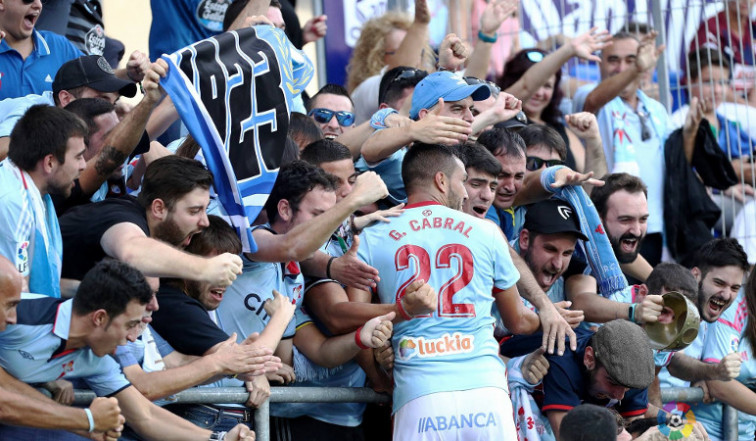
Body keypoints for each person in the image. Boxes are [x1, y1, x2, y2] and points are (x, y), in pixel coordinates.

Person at [355, 142, 541, 440]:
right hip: (486, 390)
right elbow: (518, 321)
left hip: (420, 391)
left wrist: (380, 379)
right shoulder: (486, 232)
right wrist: (549, 317)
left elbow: (356, 322)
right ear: (441, 181)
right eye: (462, 181)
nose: (466, 193)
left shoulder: (371, 237)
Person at [0, 259, 255, 440]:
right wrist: (86, 421)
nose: (130, 340)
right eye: (130, 325)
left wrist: (216, 438)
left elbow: (145, 416)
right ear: (99, 318)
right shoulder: (17, 315)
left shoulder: (97, 359)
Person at [59, 155, 243, 294]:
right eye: (194, 211)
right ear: (158, 208)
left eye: (205, 209)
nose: (205, 222)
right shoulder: (122, 216)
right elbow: (132, 250)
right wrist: (205, 268)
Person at [0, 255, 126, 437]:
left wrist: (86, 426)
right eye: (9, 305)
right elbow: (4, 406)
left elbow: (6, 385)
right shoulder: (27, 320)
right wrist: (88, 420)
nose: (13, 317)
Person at [572, 31, 668, 267]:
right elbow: (594, 101)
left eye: (630, 60)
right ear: (600, 62)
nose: (621, 67)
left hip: (652, 227)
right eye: (613, 60)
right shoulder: (589, 95)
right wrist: (635, 70)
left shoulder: (656, 109)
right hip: (609, 228)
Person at [502, 319, 657, 440]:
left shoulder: (635, 373)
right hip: (499, 371)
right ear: (589, 359)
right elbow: (567, 437)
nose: (619, 395)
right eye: (613, 382)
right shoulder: (563, 360)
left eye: (627, 387)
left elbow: (634, 431)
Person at [0, 104, 87, 297]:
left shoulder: (35, 190)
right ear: (49, 162)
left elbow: (43, 285)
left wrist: (90, 292)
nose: (84, 165)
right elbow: (15, 303)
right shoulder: (14, 203)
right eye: (79, 157)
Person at [690, 247, 756, 440]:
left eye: (733, 287)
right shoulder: (731, 303)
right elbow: (718, 382)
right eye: (719, 283)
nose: (727, 293)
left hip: (745, 433)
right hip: (701, 432)